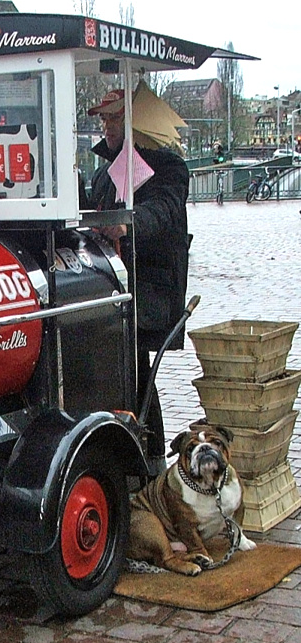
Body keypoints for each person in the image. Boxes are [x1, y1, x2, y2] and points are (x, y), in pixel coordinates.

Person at [84, 89, 190, 473]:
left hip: (149, 288)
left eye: (115, 120)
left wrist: (125, 225)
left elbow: (160, 211)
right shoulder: (103, 173)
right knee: (119, 370)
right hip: (109, 282)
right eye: (105, 121)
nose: (107, 128)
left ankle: (154, 459)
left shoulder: (170, 170)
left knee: (138, 374)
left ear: (135, 125)